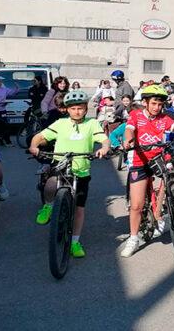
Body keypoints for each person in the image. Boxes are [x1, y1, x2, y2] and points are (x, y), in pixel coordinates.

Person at [120, 85, 174, 258]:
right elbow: (129, 130)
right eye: (153, 103)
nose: (157, 107)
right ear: (146, 102)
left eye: (160, 104)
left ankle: (169, 207)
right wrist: (129, 141)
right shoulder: (136, 115)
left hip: (159, 159)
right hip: (140, 161)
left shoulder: (164, 118)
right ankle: (133, 238)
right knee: (137, 205)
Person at [28, 90, 111, 258]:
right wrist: (34, 146)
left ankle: (74, 242)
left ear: (86, 109)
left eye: (80, 108)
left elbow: (104, 139)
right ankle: (49, 206)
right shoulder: (60, 123)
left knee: (79, 208)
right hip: (61, 164)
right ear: (67, 109)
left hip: (82, 170)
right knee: (50, 184)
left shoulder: (92, 123)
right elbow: (41, 136)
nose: (77, 111)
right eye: (73, 108)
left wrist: (104, 148)